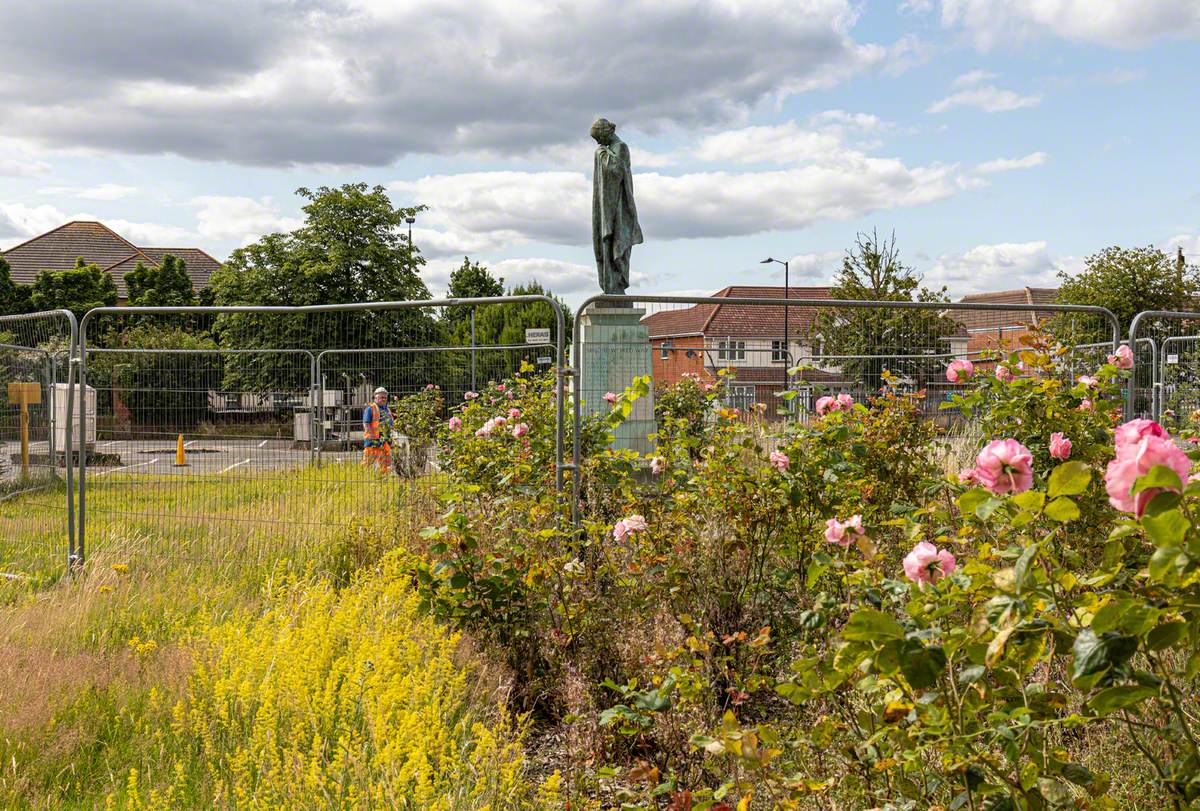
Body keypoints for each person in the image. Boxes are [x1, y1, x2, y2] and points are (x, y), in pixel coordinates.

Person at [362, 386, 394, 473]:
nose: (383, 399)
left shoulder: (387, 410)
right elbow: (366, 423)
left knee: (386, 461)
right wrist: (371, 435)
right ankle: (364, 477)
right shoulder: (370, 408)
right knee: (368, 462)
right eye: (381, 397)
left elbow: (391, 424)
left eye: (385, 397)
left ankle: (384, 478)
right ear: (375, 398)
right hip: (373, 440)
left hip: (385, 440)